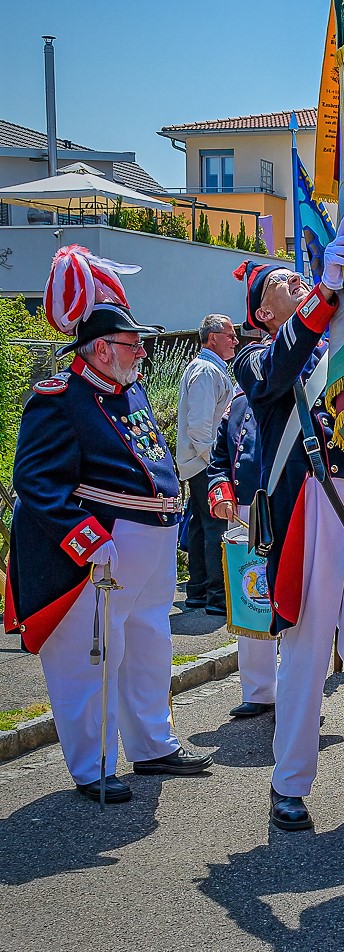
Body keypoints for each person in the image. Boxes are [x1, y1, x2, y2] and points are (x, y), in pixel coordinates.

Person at [5, 248, 211, 804]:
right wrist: (87, 540)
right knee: (92, 657)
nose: (142, 351)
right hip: (103, 553)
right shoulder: (60, 399)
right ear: (99, 349)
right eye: (131, 343)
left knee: (149, 645)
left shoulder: (130, 391)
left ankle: (152, 745)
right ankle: (93, 764)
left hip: (152, 545)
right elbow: (37, 484)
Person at [232, 222, 344, 831]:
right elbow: (281, 372)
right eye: (283, 283)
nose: (298, 280)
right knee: (304, 655)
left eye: (301, 276)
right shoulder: (259, 354)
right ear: (261, 310)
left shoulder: (341, 337)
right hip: (311, 504)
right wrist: (324, 292)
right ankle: (289, 786)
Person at [206, 379, 277, 717]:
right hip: (244, 511)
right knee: (252, 598)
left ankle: (297, 685)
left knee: (292, 599)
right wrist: (220, 492)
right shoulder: (236, 403)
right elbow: (219, 457)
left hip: (288, 506)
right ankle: (259, 690)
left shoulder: (293, 392)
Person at [177, 315, 238, 614]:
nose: (236, 341)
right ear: (212, 338)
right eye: (230, 335)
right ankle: (217, 597)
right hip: (205, 462)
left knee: (203, 526)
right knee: (216, 525)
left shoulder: (208, 369)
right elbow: (200, 427)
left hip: (199, 461)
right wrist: (215, 464)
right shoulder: (205, 370)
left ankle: (198, 591)